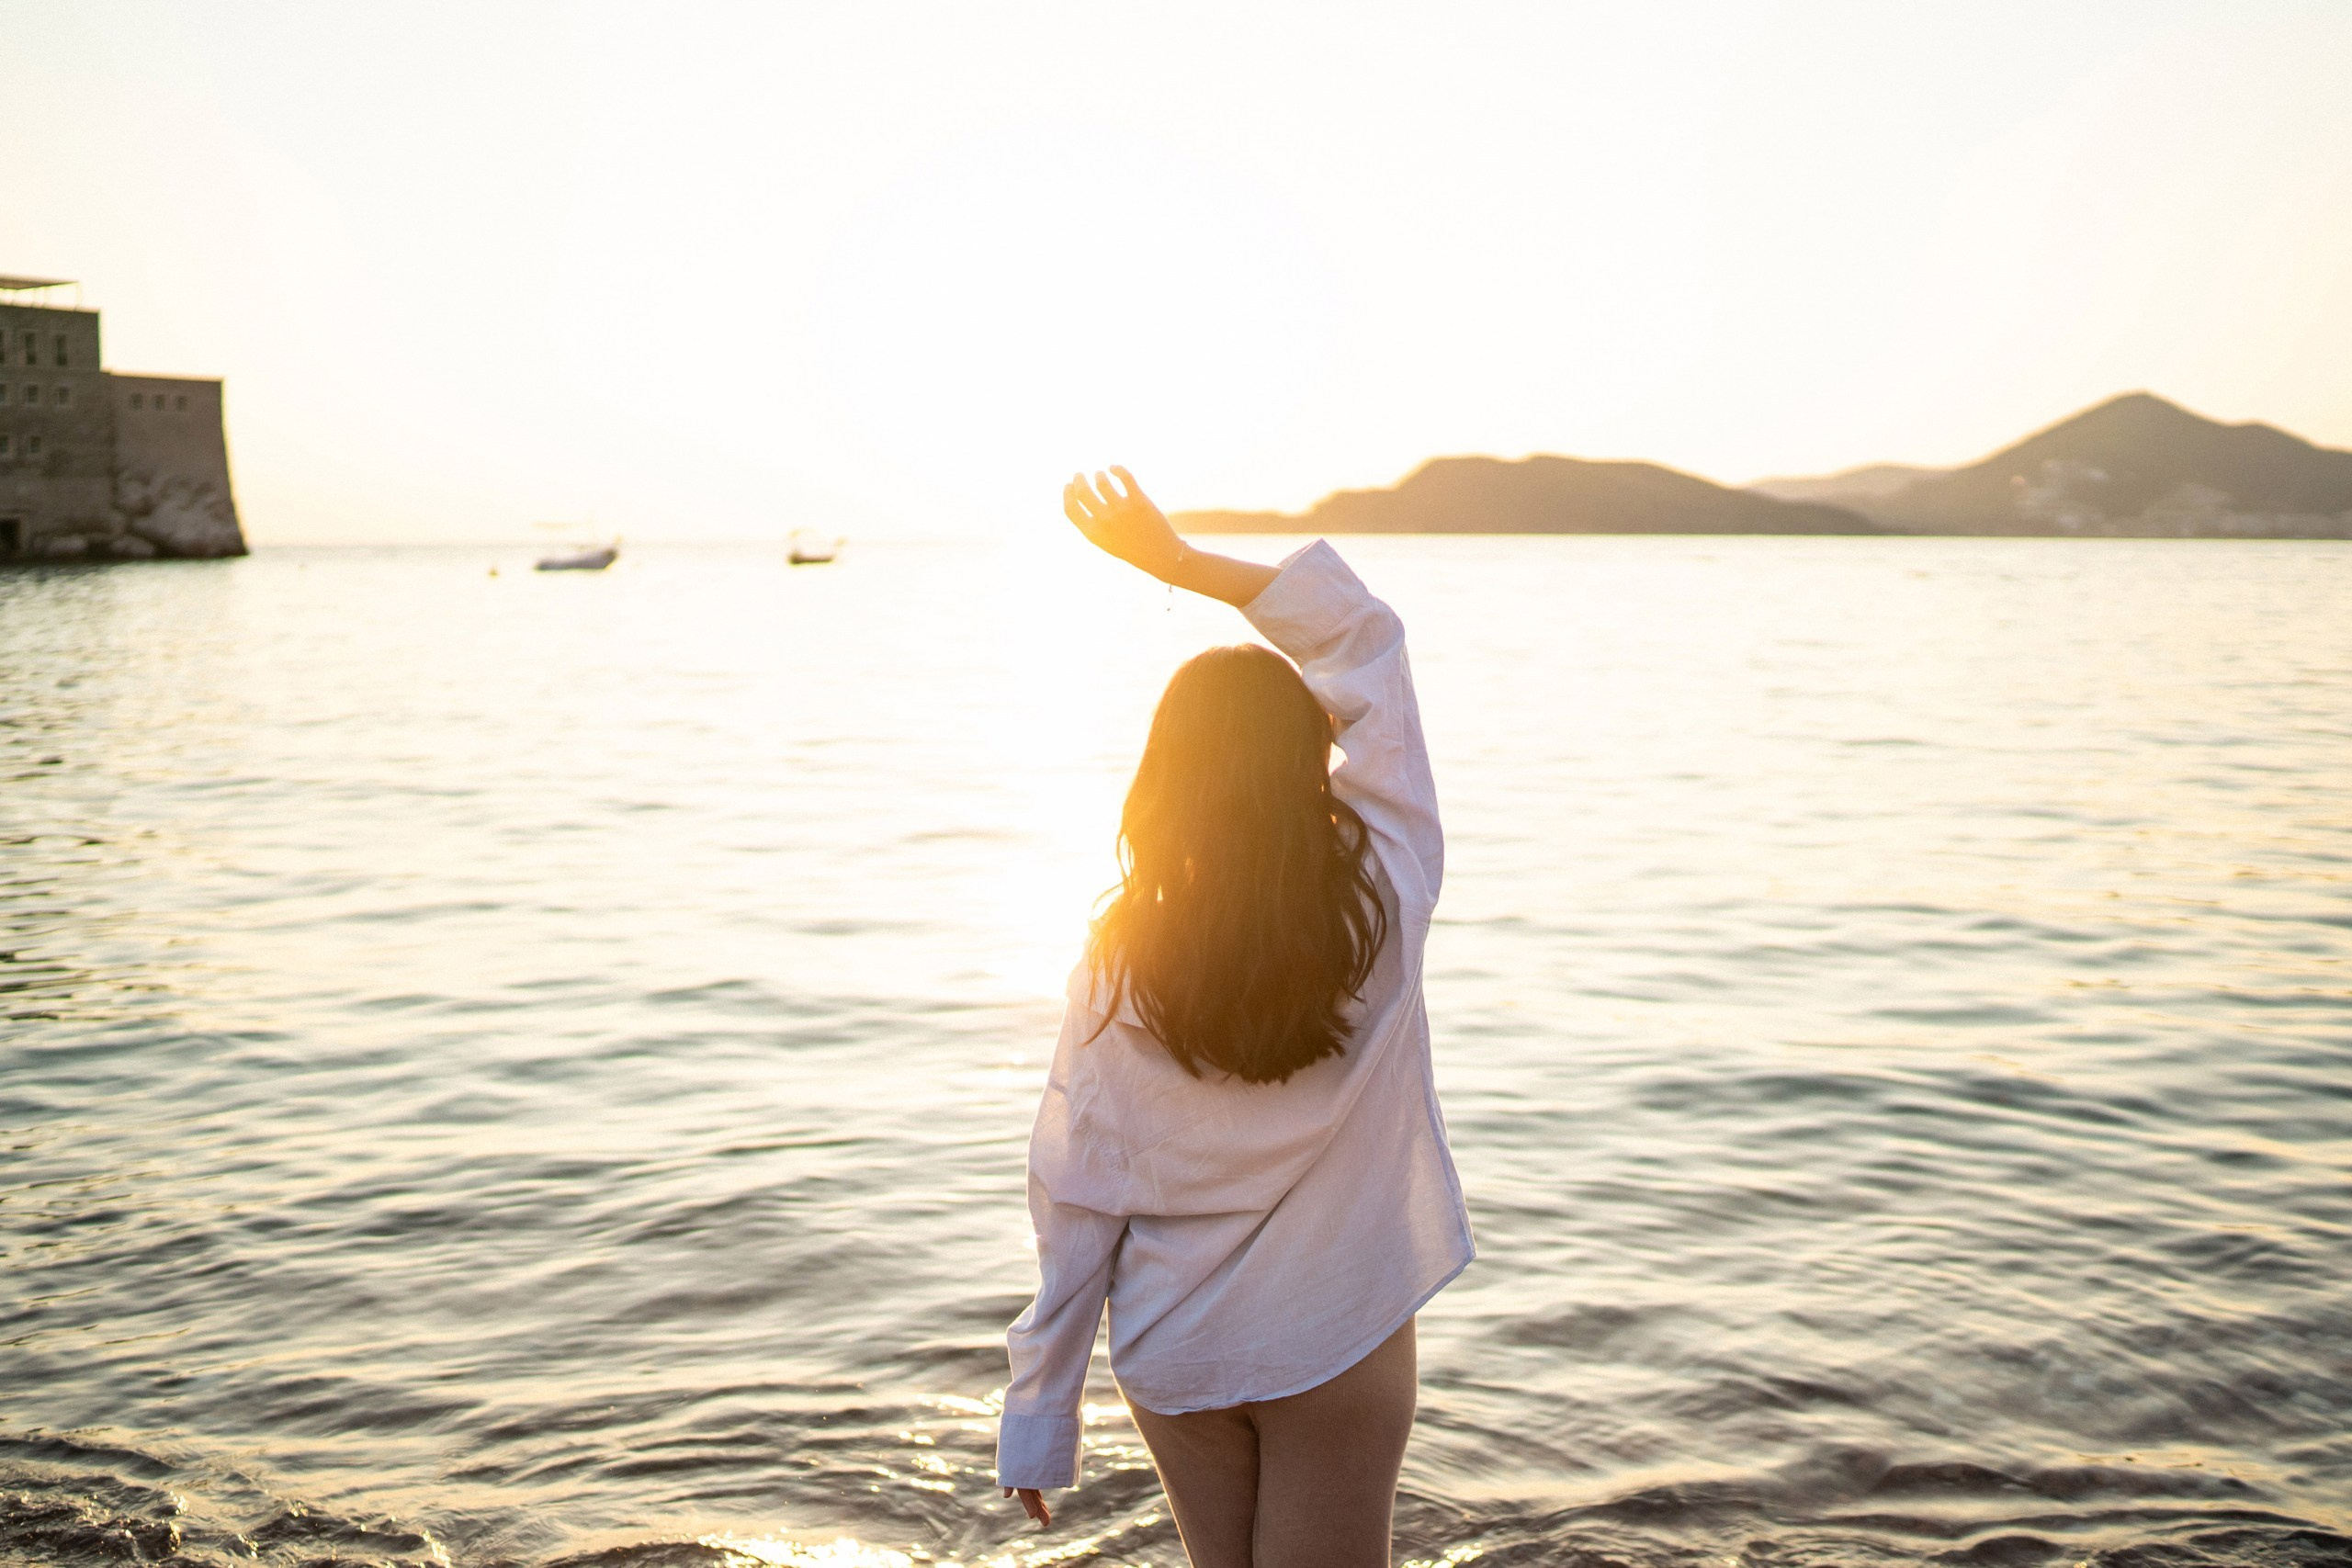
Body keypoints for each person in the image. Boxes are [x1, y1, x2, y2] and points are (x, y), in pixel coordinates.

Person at [990, 468, 1475, 1567]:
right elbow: (1366, 641)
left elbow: (1075, 1191)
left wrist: (1040, 1415)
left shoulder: (1121, 962)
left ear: (1167, 783)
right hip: (1334, 1328)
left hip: (1174, 1345)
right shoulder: (1390, 888)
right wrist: (1180, 565)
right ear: (1311, 758)